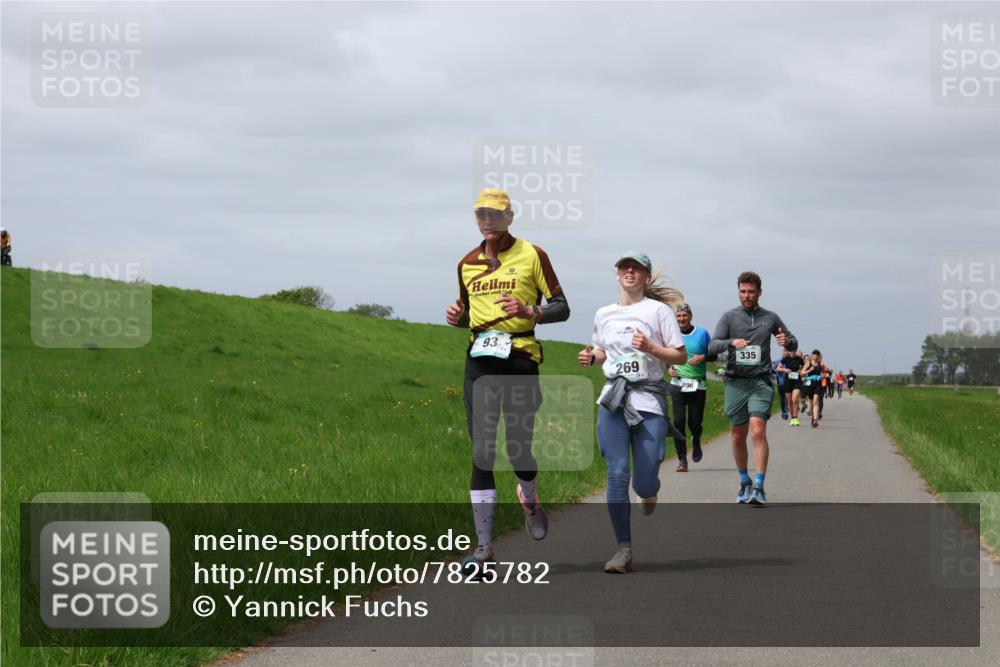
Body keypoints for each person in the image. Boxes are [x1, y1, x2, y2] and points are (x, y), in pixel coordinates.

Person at [446, 188, 570, 574]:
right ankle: (484, 549)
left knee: (519, 450)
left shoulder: (533, 254)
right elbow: (469, 314)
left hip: (520, 360)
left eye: (495, 214)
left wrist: (531, 310)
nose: (487, 221)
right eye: (481, 214)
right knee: (482, 451)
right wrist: (458, 318)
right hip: (480, 363)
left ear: (510, 217)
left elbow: (563, 308)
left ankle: (529, 500)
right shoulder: (466, 264)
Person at [579, 251, 686, 573]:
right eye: (624, 267)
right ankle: (623, 551)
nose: (630, 271)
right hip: (613, 400)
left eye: (637, 268)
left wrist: (651, 348)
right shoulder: (604, 313)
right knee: (616, 473)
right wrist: (593, 357)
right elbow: (602, 350)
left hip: (648, 401)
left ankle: (648, 492)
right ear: (617, 275)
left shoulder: (659, 311)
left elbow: (679, 356)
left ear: (646, 277)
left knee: (645, 480)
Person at [708, 271, 796, 506]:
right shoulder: (729, 317)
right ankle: (744, 481)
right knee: (738, 434)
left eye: (751, 292)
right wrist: (731, 342)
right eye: (743, 291)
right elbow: (713, 345)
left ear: (759, 292)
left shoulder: (770, 318)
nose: (746, 296)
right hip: (735, 381)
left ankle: (759, 486)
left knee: (757, 431)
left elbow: (792, 341)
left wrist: (786, 341)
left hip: (760, 381)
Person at [666, 303, 717, 471]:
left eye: (684, 315)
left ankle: (696, 442)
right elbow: (666, 355)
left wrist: (702, 358)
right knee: (678, 422)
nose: (681, 319)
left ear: (690, 316)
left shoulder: (702, 333)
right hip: (677, 384)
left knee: (694, 423)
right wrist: (669, 367)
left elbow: (714, 354)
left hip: (697, 385)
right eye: (678, 316)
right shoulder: (671, 334)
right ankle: (682, 460)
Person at [775, 344, 804, 426]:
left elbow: (804, 368)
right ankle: (792, 418)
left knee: (794, 399)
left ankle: (796, 418)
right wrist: (785, 370)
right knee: (790, 402)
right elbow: (777, 368)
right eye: (791, 350)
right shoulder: (786, 359)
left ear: (796, 350)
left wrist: (800, 370)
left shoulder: (799, 359)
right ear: (789, 351)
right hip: (788, 381)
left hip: (797, 381)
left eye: (794, 349)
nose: (793, 351)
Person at [801, 350, 829, 428]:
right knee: (811, 404)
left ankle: (816, 420)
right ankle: (813, 418)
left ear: (818, 356)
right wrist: (810, 370)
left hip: (818, 384)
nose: (816, 355)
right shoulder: (808, 363)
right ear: (812, 355)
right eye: (814, 354)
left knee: (815, 401)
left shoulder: (821, 364)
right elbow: (802, 373)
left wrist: (821, 376)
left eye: (817, 354)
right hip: (809, 384)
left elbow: (824, 373)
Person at [772, 356, 789, 420]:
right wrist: (778, 371)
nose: (785, 353)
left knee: (787, 397)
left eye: (787, 352)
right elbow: (773, 369)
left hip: (788, 382)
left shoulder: (790, 361)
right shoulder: (777, 361)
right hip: (780, 382)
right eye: (784, 352)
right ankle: (783, 411)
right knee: (782, 398)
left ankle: (786, 411)